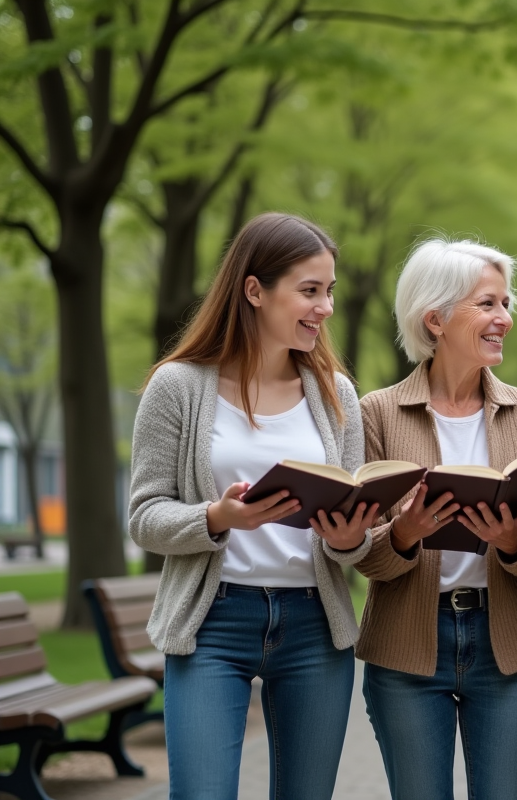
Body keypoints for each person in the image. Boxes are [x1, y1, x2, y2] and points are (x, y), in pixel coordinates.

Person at [129, 213, 376, 800]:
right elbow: (144, 515)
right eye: (310, 291)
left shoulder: (336, 394)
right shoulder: (178, 386)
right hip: (213, 620)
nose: (325, 308)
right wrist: (216, 518)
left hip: (314, 625)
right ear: (254, 290)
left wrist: (349, 538)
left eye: (330, 292)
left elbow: (356, 534)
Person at [353, 238, 517, 800]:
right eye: (487, 304)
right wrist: (405, 533)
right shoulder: (376, 413)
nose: (504, 319)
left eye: (506, 304)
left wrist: (513, 540)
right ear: (435, 318)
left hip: (505, 646)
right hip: (406, 646)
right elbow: (357, 551)